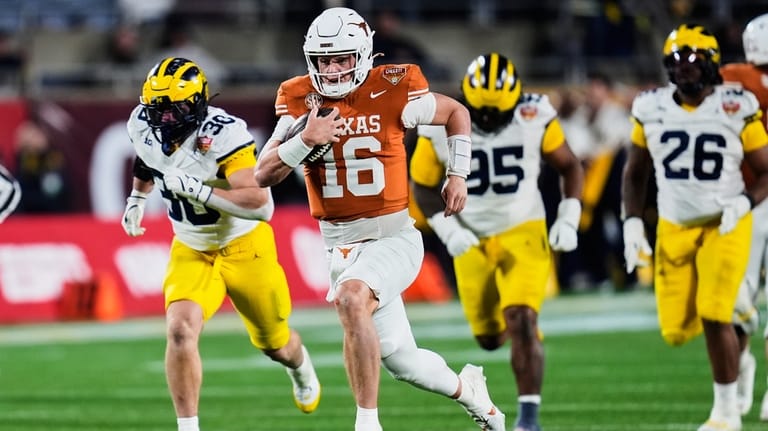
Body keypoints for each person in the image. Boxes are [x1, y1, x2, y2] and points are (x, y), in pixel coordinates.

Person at [253, 7, 505, 431]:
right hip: (338, 244)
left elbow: (456, 113)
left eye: (342, 59)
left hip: (393, 237)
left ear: (364, 54)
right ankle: (472, 394)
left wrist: (457, 173)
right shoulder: (298, 98)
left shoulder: (393, 85)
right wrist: (305, 141)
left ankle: (367, 423)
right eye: (323, 60)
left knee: (352, 298)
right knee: (404, 363)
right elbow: (262, 174)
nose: (331, 70)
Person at [121, 57, 321, 431]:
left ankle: (300, 366)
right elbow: (147, 158)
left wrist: (200, 191)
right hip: (192, 248)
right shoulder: (143, 124)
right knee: (180, 330)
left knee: (276, 344)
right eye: (157, 109)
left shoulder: (224, 135)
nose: (164, 119)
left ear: (197, 102)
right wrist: (137, 198)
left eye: (174, 108)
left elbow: (260, 205)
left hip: (245, 245)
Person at [411, 53, 584, 431]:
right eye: (481, 113)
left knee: (521, 318)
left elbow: (570, 165)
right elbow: (422, 186)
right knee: (489, 339)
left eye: (495, 113)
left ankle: (528, 419)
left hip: (523, 229)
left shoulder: (534, 114)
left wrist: (570, 215)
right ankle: (519, 326)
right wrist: (448, 230)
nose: (486, 121)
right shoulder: (441, 122)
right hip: (470, 236)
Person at [622, 24, 768, 431]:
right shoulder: (650, 107)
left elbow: (765, 171)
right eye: (676, 61)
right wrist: (632, 224)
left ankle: (726, 413)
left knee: (713, 313)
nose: (685, 69)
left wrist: (743, 201)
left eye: (693, 60)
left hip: (725, 223)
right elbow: (635, 173)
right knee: (675, 331)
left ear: (713, 64)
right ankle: (743, 323)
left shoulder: (735, 104)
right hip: (674, 227)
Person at [720, 12, 768, 421]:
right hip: (748, 195)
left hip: (749, 194)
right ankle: (741, 370)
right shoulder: (734, 79)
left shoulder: (735, 78)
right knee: (736, 301)